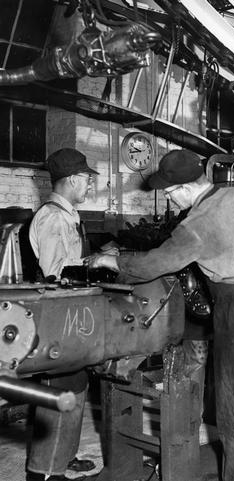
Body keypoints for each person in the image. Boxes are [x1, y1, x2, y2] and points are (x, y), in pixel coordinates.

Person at [85, 149, 234, 481]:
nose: (171, 200)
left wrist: (113, 262)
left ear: (185, 188)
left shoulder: (196, 223)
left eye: (171, 193)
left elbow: (155, 265)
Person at [27, 148, 99, 481]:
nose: (89, 185)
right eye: (86, 179)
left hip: (73, 318)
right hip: (58, 319)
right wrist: (94, 266)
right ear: (71, 179)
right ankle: (44, 471)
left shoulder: (68, 214)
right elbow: (55, 273)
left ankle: (64, 457)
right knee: (59, 389)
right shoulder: (53, 217)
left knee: (76, 383)